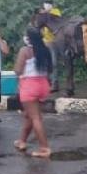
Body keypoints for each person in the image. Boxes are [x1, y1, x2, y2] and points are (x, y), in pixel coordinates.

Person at [13, 27, 53, 158]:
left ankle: (44, 148)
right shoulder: (45, 49)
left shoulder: (25, 50)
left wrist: (20, 71)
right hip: (43, 85)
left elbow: (18, 70)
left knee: (35, 118)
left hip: (29, 85)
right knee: (30, 116)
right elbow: (50, 70)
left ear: (28, 38)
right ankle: (22, 141)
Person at [41, 0, 61, 92]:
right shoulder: (42, 13)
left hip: (54, 41)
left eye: (49, 3)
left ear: (52, 4)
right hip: (45, 41)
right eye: (46, 2)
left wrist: (46, 12)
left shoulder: (55, 11)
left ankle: (55, 83)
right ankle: (46, 83)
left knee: (54, 63)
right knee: (45, 63)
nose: (47, 4)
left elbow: (55, 19)